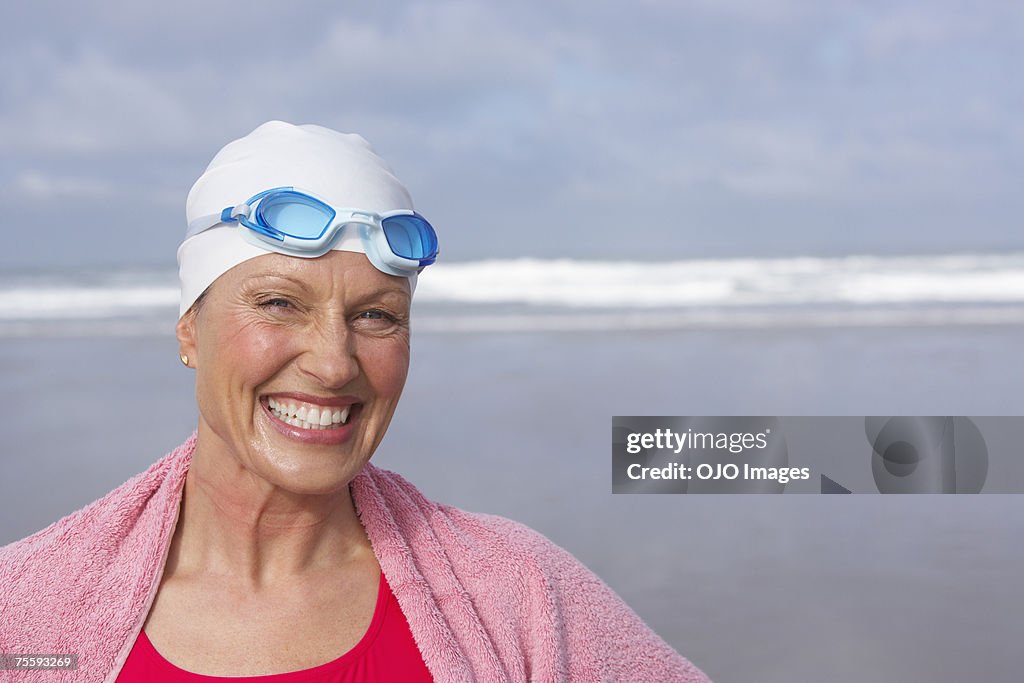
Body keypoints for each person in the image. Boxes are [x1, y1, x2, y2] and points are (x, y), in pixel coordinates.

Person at [0, 121, 711, 682]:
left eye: (376, 315)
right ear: (190, 329)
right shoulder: (27, 612)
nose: (334, 362)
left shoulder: (520, 593)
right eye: (280, 303)